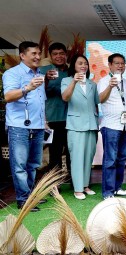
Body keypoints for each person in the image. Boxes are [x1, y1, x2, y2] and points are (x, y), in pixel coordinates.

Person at [2, 41, 47, 212]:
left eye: (38, 53)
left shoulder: (39, 73)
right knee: (19, 164)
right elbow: (8, 96)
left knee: (34, 164)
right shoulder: (12, 73)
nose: (37, 56)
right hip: (19, 126)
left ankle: (29, 196)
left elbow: (40, 101)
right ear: (22, 55)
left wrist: (44, 120)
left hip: (38, 126)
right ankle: (23, 199)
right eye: (34, 53)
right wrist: (27, 88)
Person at [61, 54, 99, 200]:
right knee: (76, 157)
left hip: (91, 124)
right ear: (74, 66)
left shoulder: (92, 84)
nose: (84, 66)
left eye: (86, 64)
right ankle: (77, 189)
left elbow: (97, 101)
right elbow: (65, 97)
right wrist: (74, 82)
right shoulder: (66, 80)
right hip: (75, 125)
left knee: (89, 156)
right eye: (80, 63)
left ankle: (85, 185)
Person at [97, 53, 126, 200]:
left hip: (125, 126)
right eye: (117, 63)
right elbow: (99, 99)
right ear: (110, 65)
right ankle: (108, 192)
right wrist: (110, 86)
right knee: (110, 160)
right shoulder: (103, 81)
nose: (120, 66)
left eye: (122, 63)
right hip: (111, 126)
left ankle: (118, 187)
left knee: (121, 158)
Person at [40, 42, 71, 175]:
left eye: (62, 53)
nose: (59, 56)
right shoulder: (43, 71)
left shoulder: (72, 71)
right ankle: (54, 184)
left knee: (72, 152)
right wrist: (46, 79)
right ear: (50, 56)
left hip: (71, 119)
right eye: (55, 54)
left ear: (66, 55)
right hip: (53, 118)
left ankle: (74, 182)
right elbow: (37, 94)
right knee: (55, 153)